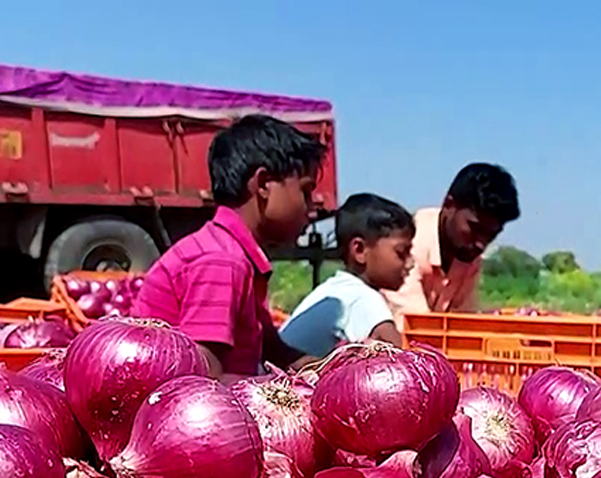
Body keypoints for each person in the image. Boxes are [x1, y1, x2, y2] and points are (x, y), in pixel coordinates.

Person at [131, 114, 323, 379]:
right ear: (264, 184)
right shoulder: (221, 261)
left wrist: (328, 370)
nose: (312, 209)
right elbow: (205, 381)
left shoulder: (235, 253)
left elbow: (272, 349)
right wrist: (290, 389)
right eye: (306, 191)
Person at [382, 163, 521, 327]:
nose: (481, 244)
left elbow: (462, 325)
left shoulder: (469, 257)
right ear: (449, 205)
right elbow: (415, 328)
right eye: (474, 228)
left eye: (491, 235)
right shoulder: (409, 246)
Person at [279, 193, 414, 358]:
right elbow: (402, 363)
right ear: (359, 250)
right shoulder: (362, 298)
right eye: (401, 253)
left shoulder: (338, 289)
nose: (410, 263)